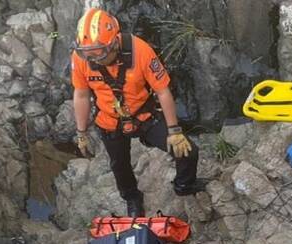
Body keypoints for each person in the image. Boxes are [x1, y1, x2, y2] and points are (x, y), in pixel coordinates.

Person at [71, 8, 203, 217]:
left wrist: (174, 131)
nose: (93, 59)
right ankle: (132, 197)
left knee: (188, 152)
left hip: (144, 115)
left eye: (99, 53)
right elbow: (81, 95)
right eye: (88, 54)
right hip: (109, 119)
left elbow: (162, 90)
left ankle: (183, 186)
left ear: (114, 42)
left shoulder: (140, 51)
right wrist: (81, 132)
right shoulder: (82, 58)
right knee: (119, 165)